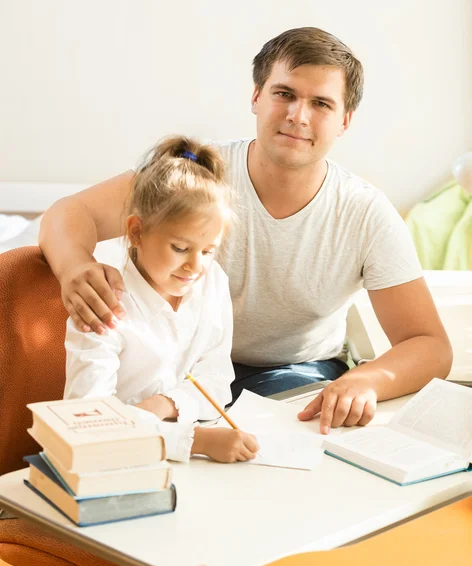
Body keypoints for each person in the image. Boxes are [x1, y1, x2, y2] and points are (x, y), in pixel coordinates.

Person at [39, 27, 452, 436]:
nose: (298, 116)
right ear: (257, 97)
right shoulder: (197, 174)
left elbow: (429, 345)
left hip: (296, 376)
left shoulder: (365, 212)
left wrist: (369, 379)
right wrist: (74, 264)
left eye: (321, 104)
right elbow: (71, 212)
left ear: (344, 120)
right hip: (184, 371)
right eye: (284, 94)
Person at [63, 135, 259, 463]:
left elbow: (217, 381)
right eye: (180, 248)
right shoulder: (105, 302)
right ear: (136, 232)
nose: (196, 266)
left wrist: (163, 405)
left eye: (208, 250)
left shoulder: (212, 283)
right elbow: (89, 424)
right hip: (111, 467)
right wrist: (194, 441)